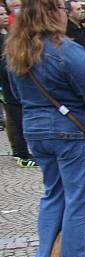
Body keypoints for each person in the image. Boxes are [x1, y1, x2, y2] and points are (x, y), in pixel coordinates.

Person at [7, 0, 85, 257]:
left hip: (35, 129)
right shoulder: (65, 49)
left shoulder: (18, 49)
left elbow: (17, 96)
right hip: (71, 131)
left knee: (52, 193)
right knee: (79, 198)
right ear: (54, 13)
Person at [0, 2, 37, 167]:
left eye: (4, 14)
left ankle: (20, 151)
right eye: (0, 15)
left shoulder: (7, 35)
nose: (4, 17)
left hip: (12, 82)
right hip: (6, 85)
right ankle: (22, 153)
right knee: (15, 118)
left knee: (15, 118)